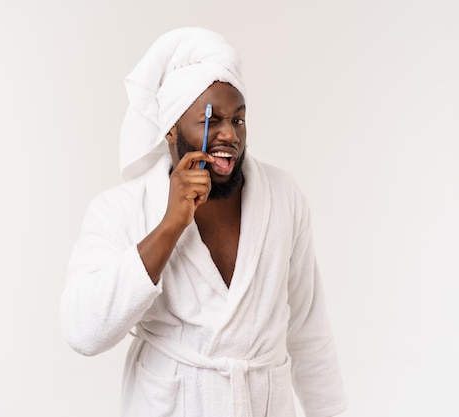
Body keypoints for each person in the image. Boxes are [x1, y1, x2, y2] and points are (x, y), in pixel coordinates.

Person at [60, 27, 347, 417]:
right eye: (211, 119)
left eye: (239, 120)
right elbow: (84, 331)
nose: (229, 134)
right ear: (172, 129)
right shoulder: (123, 209)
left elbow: (309, 332)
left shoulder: (283, 197)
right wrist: (169, 226)